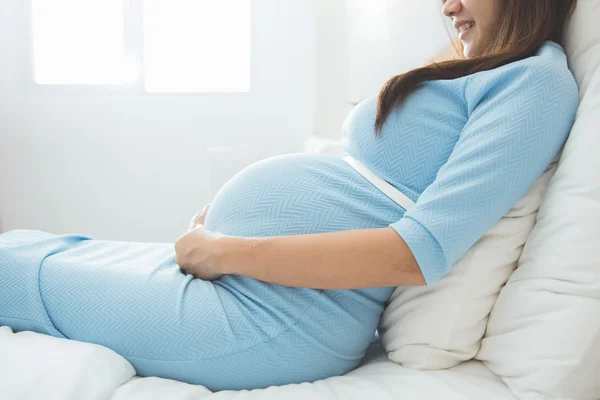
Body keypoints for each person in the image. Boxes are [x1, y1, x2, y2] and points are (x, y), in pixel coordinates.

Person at [0, 0, 580, 392]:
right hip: (247, 289)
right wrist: (227, 233)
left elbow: (417, 252)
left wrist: (226, 253)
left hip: (276, 320)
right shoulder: (478, 70)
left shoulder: (536, 82)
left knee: (8, 269)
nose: (448, 3)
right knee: (22, 244)